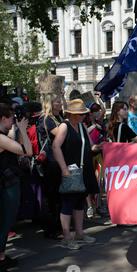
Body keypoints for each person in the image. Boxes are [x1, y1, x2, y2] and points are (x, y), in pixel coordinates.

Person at [52, 99, 102, 250]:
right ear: (72, 114)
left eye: (83, 114)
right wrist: (64, 169)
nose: (82, 116)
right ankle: (67, 237)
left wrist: (99, 146)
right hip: (71, 170)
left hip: (83, 169)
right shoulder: (64, 126)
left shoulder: (82, 126)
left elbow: (90, 145)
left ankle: (79, 233)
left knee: (79, 202)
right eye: (79, 114)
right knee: (68, 203)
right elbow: (55, 147)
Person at [0, 100, 32, 272]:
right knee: (3, 225)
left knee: (5, 224)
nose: (13, 120)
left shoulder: (5, 134)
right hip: (5, 185)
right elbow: (27, 151)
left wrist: (19, 129)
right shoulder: (1, 137)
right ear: (3, 118)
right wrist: (22, 129)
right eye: (11, 117)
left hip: (8, 184)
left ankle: (3, 259)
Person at [37, 93, 65, 239]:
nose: (60, 103)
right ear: (50, 104)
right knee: (52, 196)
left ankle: (59, 226)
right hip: (50, 162)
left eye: (60, 101)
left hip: (57, 161)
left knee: (58, 195)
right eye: (57, 102)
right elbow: (61, 133)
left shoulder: (58, 117)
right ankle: (51, 229)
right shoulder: (46, 119)